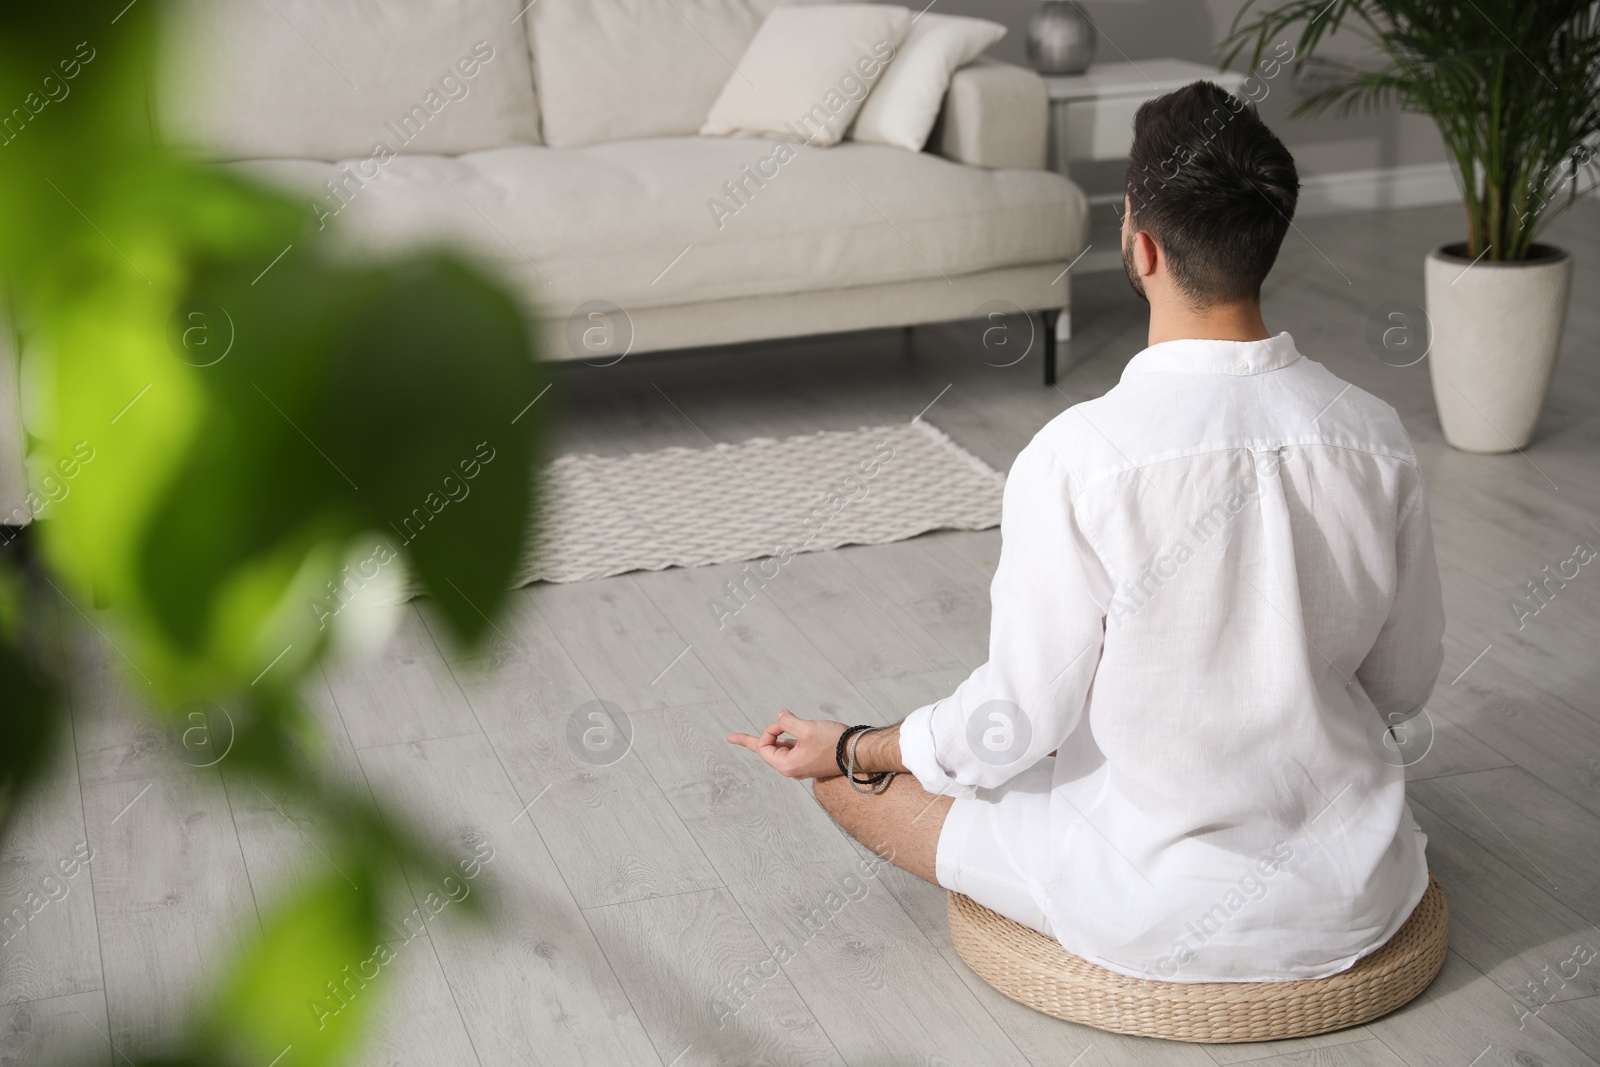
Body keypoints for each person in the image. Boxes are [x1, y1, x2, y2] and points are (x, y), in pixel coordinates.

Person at [728, 80, 1444, 983]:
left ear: (1138, 246)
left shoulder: (1077, 456)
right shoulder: (1374, 433)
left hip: (1151, 906)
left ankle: (845, 754)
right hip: (1360, 888)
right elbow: (1404, 681)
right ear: (1266, 239)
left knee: (849, 786)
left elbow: (1017, 722)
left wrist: (855, 743)